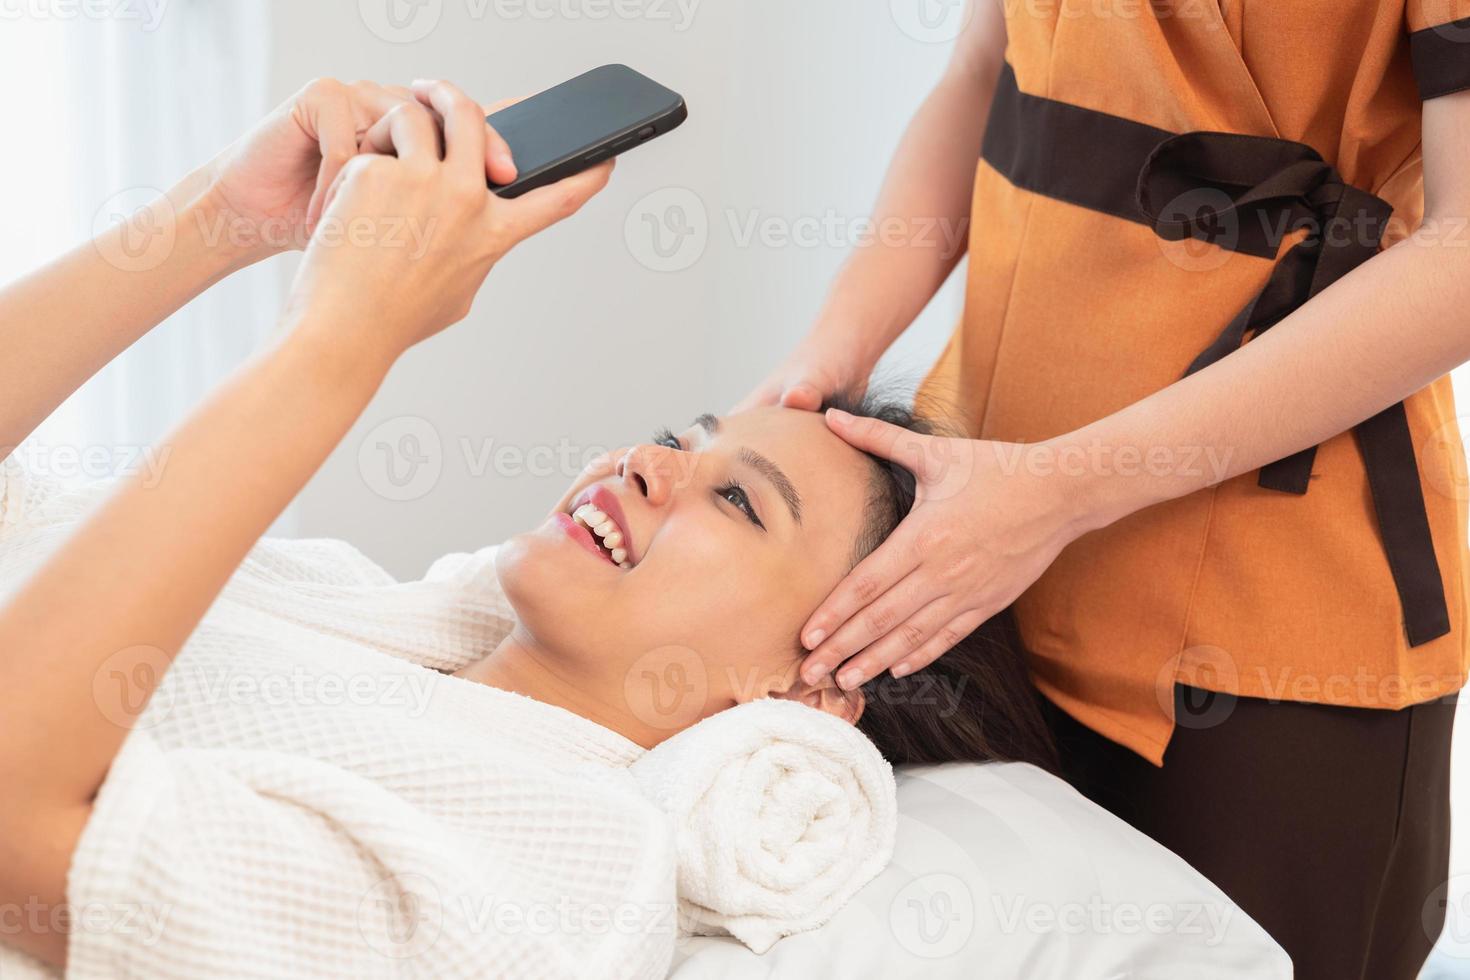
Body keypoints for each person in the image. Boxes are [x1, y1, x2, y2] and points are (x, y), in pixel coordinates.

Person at [0, 77, 1054, 975]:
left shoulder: (558, 873)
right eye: (677, 438)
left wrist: (346, 334)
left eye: (738, 501)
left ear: (807, 686)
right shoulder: (342, 602)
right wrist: (212, 223)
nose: (648, 463)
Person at [740, 1, 1470, 976]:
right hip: (975, 556)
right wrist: (826, 358)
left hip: (1260, 625)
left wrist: (1058, 493)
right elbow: (986, 79)